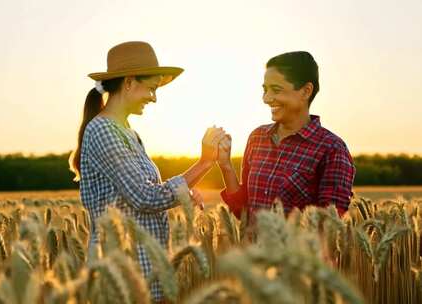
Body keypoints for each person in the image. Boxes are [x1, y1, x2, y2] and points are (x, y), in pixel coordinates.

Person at [69, 41, 225, 302]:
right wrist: (204, 163)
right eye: (151, 88)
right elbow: (145, 197)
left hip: (145, 270)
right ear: (129, 82)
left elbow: (146, 193)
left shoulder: (129, 132)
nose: (154, 97)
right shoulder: (103, 130)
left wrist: (185, 191)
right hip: (123, 274)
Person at [217, 51, 355, 222]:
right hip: (251, 249)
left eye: (276, 90)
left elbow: (329, 230)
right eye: (265, 90)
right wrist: (226, 166)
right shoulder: (257, 137)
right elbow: (244, 212)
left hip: (296, 250)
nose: (266, 99)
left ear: (306, 91)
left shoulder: (332, 149)